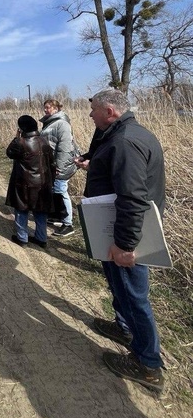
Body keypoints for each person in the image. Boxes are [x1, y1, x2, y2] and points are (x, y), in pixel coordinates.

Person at [85, 89, 165, 393]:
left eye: (93, 110)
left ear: (109, 111)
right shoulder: (126, 134)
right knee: (121, 288)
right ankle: (124, 327)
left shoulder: (125, 142)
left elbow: (133, 199)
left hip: (127, 235)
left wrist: (126, 245)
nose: (90, 115)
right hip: (118, 230)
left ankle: (148, 364)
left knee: (135, 295)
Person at [5, 115, 56, 248]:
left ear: (21, 128)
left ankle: (22, 238)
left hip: (24, 182)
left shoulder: (20, 142)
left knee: (22, 209)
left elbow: (9, 153)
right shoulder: (44, 141)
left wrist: (16, 137)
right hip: (43, 183)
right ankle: (41, 238)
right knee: (40, 211)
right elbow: (52, 163)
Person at [40, 99, 77, 237]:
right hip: (52, 164)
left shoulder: (62, 124)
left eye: (48, 107)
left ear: (56, 108)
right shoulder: (50, 122)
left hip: (61, 165)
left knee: (61, 191)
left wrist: (59, 167)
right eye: (45, 107)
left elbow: (65, 147)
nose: (45, 110)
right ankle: (58, 216)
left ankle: (68, 224)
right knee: (55, 190)